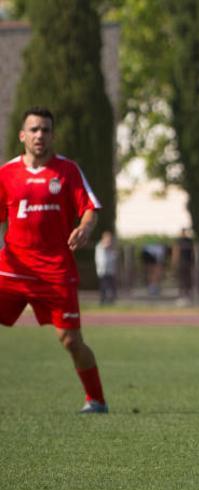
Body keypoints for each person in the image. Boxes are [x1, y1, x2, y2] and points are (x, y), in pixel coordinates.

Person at [0, 107, 108, 413]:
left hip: (55, 272)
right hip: (12, 270)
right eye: (33, 130)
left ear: (53, 136)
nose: (39, 135)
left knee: (71, 340)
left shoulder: (68, 171)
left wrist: (85, 227)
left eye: (45, 130)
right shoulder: (6, 174)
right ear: (22, 135)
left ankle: (97, 400)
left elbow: (90, 208)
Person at [172, 227, 195, 304]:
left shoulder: (189, 241)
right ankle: (182, 295)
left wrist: (193, 261)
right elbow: (176, 251)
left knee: (187, 279)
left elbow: (192, 252)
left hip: (187, 263)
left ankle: (187, 295)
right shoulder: (178, 241)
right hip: (181, 263)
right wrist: (175, 262)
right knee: (181, 279)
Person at [94, 230, 118, 305]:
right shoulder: (100, 246)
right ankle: (103, 300)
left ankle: (111, 300)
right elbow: (102, 257)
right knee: (104, 285)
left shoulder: (111, 248)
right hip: (103, 270)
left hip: (110, 270)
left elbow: (114, 257)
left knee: (111, 286)